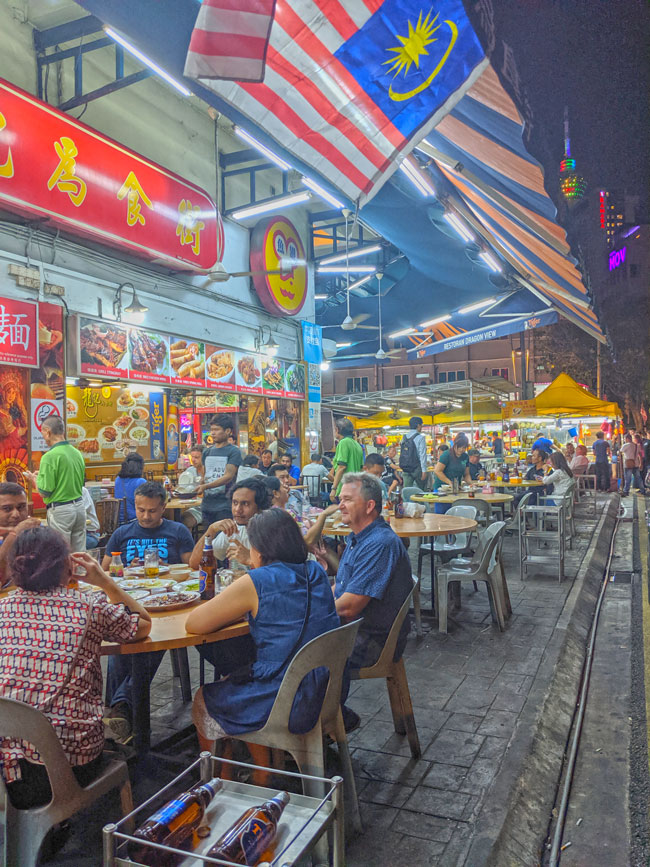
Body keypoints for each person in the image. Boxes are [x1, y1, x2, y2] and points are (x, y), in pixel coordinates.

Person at [0, 527, 150, 810]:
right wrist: (104, 581)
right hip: (68, 769)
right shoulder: (87, 607)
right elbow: (142, 625)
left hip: (6, 773)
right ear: (67, 565)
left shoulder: (3, 608)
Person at [189, 509, 341, 746]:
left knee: (203, 698)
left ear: (258, 549)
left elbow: (195, 623)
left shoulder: (257, 581)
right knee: (236, 676)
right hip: (326, 691)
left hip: (287, 700)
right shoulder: (316, 572)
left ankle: (224, 777)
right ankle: (259, 767)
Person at [101, 481, 194, 742]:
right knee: (123, 637)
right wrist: (127, 567)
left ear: (163, 507)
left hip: (168, 601)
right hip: (130, 599)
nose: (145, 516)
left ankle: (120, 707)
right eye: (140, 510)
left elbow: (192, 568)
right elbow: (107, 569)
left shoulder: (177, 531)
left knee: (154, 637)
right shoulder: (123, 533)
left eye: (152, 511)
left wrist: (169, 565)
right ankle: (122, 709)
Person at [334, 473, 413, 731]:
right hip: (355, 628)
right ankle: (325, 716)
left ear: (369, 506)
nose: (340, 505)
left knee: (301, 647)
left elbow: (349, 606)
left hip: (372, 640)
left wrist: (305, 607)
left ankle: (323, 721)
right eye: (340, 499)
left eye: (347, 499)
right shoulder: (358, 538)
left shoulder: (379, 543)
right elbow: (342, 588)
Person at [24, 415, 86, 552]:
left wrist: (34, 479)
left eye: (42, 433)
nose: (43, 437)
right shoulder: (76, 453)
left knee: (61, 552)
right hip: (80, 507)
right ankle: (81, 573)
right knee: (80, 553)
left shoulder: (49, 456)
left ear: (47, 431)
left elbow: (45, 491)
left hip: (61, 511)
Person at [189, 478, 270, 573]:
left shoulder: (272, 531)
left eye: (245, 504)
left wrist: (251, 559)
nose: (237, 509)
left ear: (260, 506)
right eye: (235, 503)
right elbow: (195, 563)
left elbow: (284, 574)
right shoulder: (233, 530)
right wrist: (211, 530)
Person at [198, 414, 242, 526]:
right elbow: (204, 476)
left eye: (216, 430)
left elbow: (229, 476)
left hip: (224, 505)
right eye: (211, 430)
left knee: (223, 538)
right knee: (208, 537)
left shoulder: (233, 452)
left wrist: (206, 486)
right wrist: (197, 485)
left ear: (227, 431)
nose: (212, 433)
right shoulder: (207, 452)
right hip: (207, 504)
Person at [0, 482, 40, 587]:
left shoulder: (38, 534)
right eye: (7, 509)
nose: (16, 515)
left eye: (21, 507)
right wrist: (14, 535)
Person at [329, 418, 363, 502]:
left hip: (344, 489)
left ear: (337, 429)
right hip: (355, 489)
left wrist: (334, 488)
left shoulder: (343, 442)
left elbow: (342, 467)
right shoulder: (357, 445)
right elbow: (361, 468)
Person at [114, 453, 147, 522]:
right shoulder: (141, 482)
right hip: (134, 520)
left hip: (118, 520)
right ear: (140, 467)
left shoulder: (118, 480)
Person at [399, 417, 428, 490]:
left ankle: (407, 501)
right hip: (417, 468)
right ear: (418, 425)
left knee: (406, 490)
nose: (421, 427)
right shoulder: (420, 438)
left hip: (405, 468)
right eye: (421, 425)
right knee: (422, 490)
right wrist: (424, 470)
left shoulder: (404, 437)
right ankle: (421, 501)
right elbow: (422, 455)